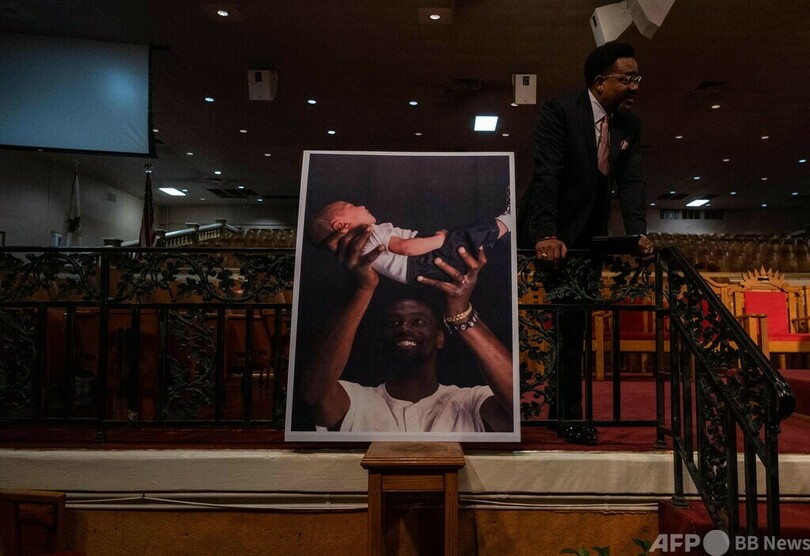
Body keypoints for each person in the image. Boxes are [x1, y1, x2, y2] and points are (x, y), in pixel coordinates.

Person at [517, 41, 655, 445]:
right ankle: (525, 412)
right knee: (545, 325)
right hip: (548, 235)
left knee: (574, 325)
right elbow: (548, 174)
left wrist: (638, 233)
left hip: (588, 237)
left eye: (637, 78)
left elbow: (631, 182)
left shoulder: (629, 125)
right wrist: (546, 235)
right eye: (627, 78)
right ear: (599, 82)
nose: (635, 86)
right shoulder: (560, 111)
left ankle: (565, 413)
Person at [299, 225, 514, 433]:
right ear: (380, 339)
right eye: (393, 322)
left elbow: (517, 406)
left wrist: (461, 312)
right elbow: (314, 396)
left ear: (440, 338)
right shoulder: (356, 400)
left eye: (418, 322)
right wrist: (364, 287)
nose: (404, 328)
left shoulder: (470, 401)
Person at [305, 200, 511, 285]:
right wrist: (440, 239)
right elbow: (406, 248)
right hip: (422, 260)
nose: (361, 205)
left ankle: (503, 234)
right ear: (341, 224)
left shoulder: (357, 249)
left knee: (468, 244)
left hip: (419, 273)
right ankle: (505, 223)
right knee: (462, 237)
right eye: (351, 206)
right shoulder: (371, 233)